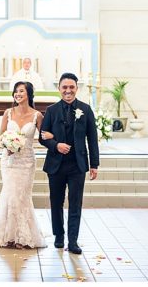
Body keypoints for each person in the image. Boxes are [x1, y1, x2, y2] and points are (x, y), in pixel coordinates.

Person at [38, 73, 99, 255]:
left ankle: (73, 241)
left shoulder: (86, 110)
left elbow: (92, 139)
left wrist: (94, 164)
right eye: (64, 87)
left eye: (71, 87)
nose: (68, 90)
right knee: (56, 202)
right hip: (56, 165)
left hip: (77, 165)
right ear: (59, 89)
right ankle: (59, 235)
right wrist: (56, 145)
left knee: (75, 203)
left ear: (76, 88)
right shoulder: (51, 110)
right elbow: (42, 136)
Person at [0, 81, 46, 249]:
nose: (17, 94)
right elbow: (1, 136)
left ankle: (23, 235)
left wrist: (51, 137)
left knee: (22, 196)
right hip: (9, 160)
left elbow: (42, 137)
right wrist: (9, 145)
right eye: (16, 91)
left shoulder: (37, 115)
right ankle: (9, 235)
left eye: (21, 91)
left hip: (27, 161)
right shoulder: (8, 113)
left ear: (29, 93)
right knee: (10, 194)